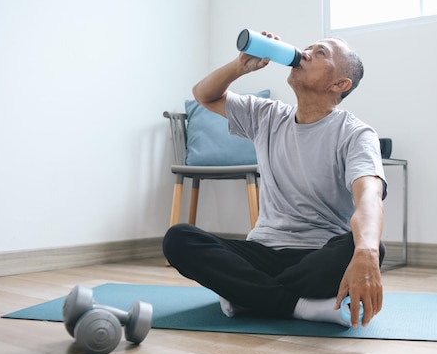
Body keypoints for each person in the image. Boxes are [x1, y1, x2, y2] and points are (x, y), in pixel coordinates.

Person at [163, 32, 387, 328]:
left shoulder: (355, 134)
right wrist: (239, 67)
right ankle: (300, 306)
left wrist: (367, 251)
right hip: (262, 251)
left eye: (320, 53)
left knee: (368, 248)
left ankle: (246, 293)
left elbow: (369, 196)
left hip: (317, 256)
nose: (305, 53)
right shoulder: (267, 115)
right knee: (179, 239)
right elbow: (204, 95)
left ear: (339, 84)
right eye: (307, 48)